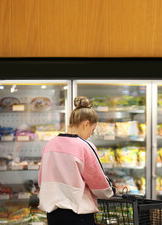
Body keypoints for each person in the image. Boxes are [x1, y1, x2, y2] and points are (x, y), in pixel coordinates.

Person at [38, 95, 115, 225]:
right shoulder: (85, 146)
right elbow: (98, 182)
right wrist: (111, 191)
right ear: (86, 124)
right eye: (92, 129)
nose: (91, 134)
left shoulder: (49, 145)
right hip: (78, 217)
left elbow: (42, 181)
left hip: (53, 216)